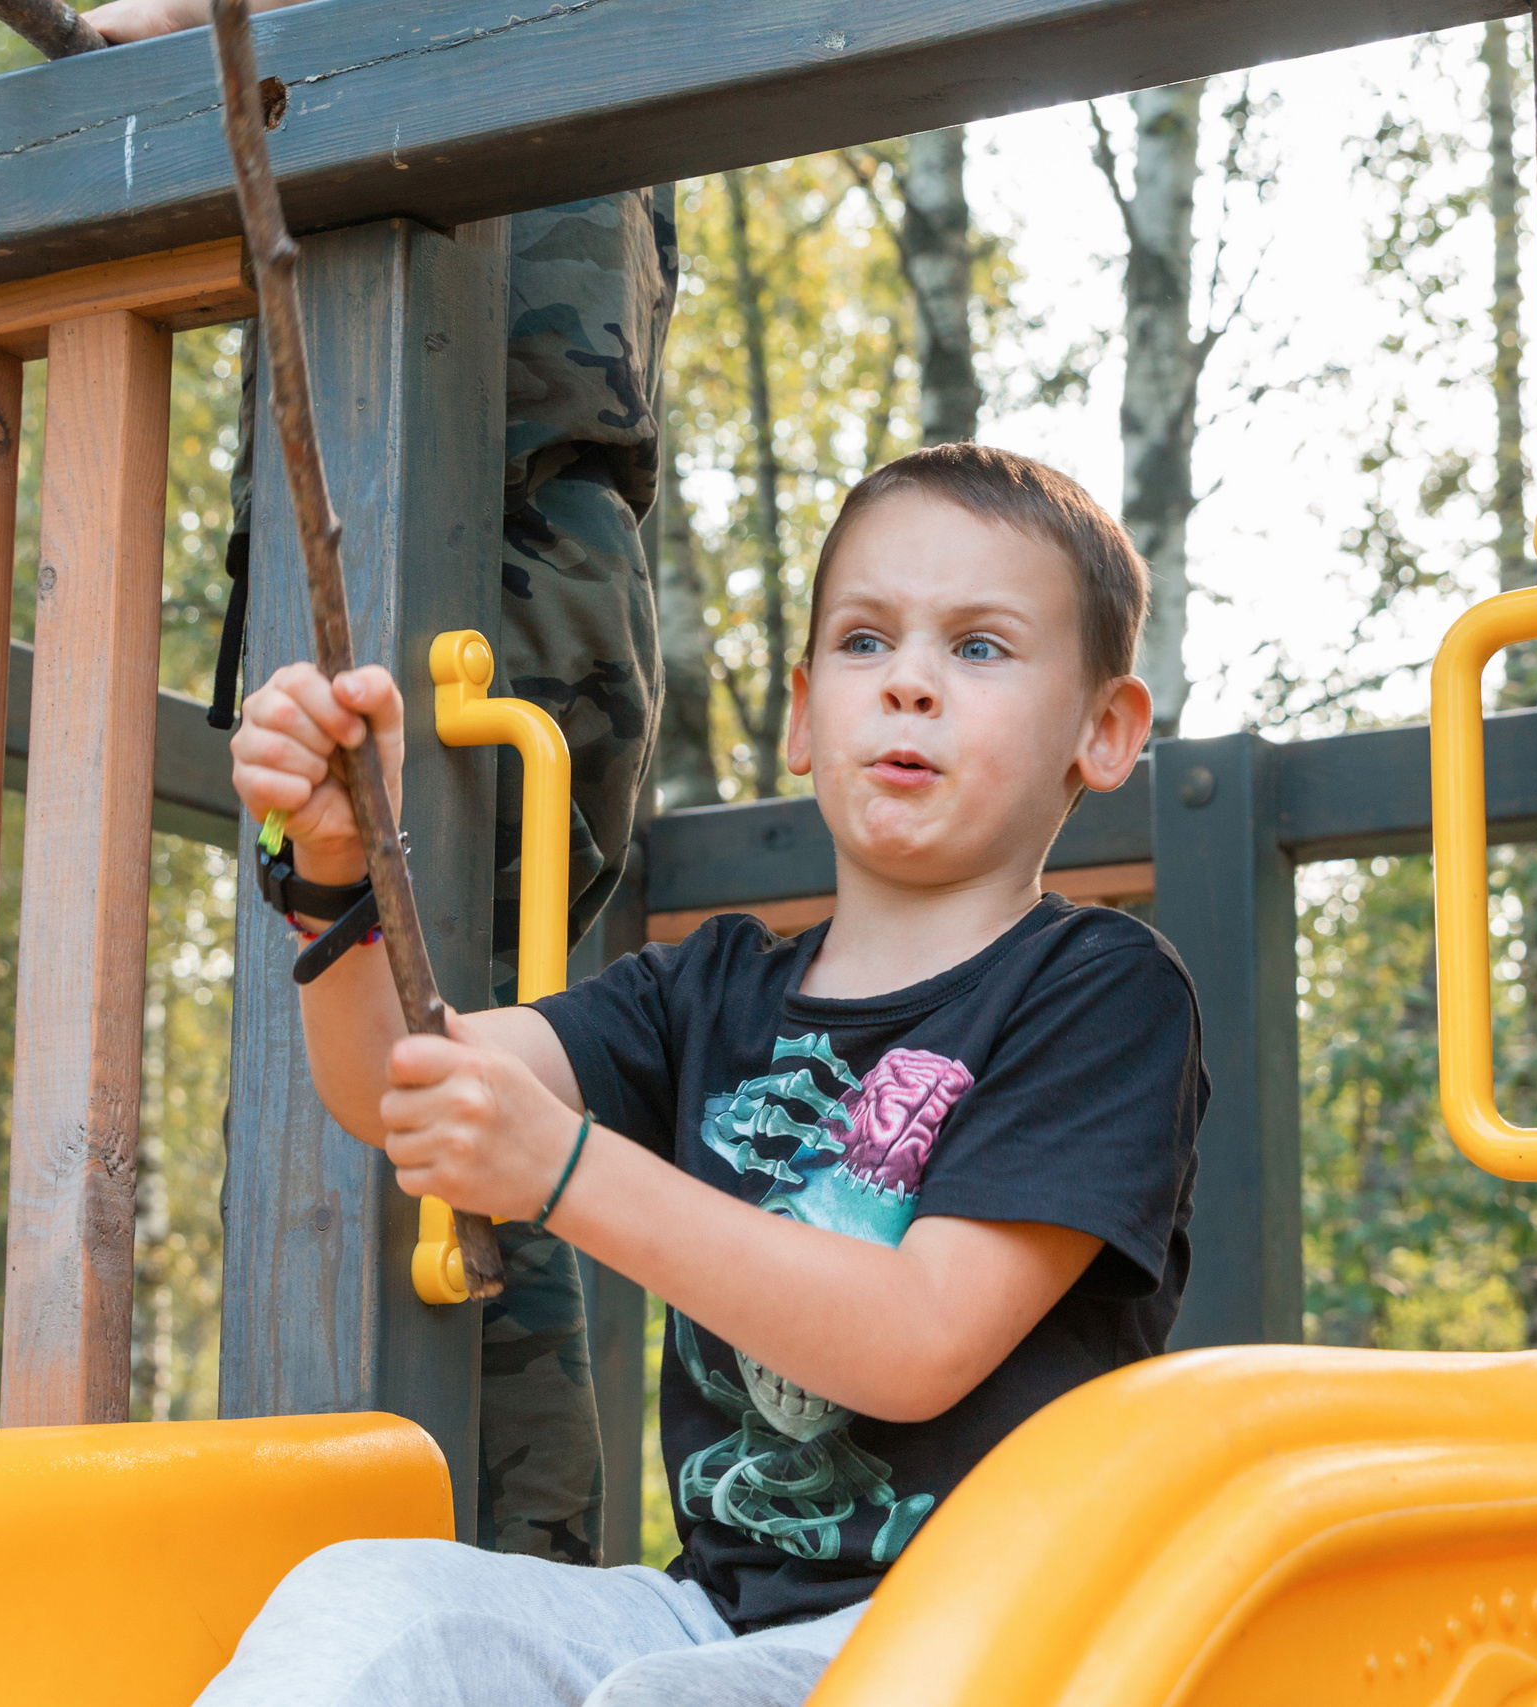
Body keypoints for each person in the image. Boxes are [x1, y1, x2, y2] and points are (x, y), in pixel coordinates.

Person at [205, 442, 1205, 1705]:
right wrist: (342, 873)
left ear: (1104, 731)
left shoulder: (1096, 990)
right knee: (374, 1604)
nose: (908, 684)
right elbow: (405, 1083)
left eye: (979, 648)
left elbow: (916, 1340)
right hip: (718, 1613)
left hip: (1008, 1637)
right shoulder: (706, 989)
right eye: (863, 641)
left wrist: (566, 1171)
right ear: (799, 713)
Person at [85, 0, 680, 1565]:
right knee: (388, 1063)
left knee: (470, 1075)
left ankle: (507, 1580)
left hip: (507, 569)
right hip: (405, 534)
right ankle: (458, 1579)